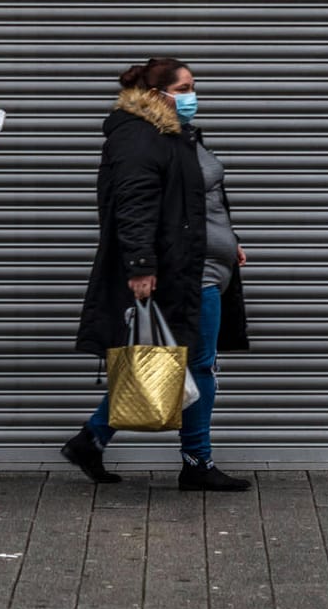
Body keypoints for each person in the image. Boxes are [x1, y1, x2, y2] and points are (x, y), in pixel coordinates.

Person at [63, 58, 252, 492]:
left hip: (209, 264)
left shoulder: (176, 133)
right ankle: (197, 463)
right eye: (183, 87)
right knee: (196, 365)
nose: (192, 95)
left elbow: (204, 201)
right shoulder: (138, 136)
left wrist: (231, 240)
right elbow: (133, 206)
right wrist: (141, 266)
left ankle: (91, 438)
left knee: (168, 362)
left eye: (192, 86)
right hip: (185, 270)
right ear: (155, 94)